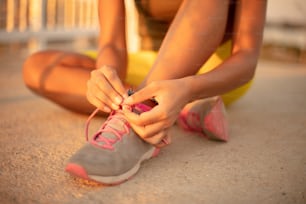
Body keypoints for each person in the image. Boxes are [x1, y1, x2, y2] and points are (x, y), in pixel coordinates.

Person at [22, 0, 267, 185]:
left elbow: (246, 59)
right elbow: (113, 44)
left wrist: (188, 89)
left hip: (213, 75)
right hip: (152, 70)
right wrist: (106, 76)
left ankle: (143, 115)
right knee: (36, 68)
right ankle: (168, 107)